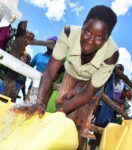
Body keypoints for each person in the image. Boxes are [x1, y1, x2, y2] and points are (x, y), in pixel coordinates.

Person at [14, 5, 119, 149]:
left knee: (79, 125)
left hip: (92, 84)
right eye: (87, 31)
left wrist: (62, 111)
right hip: (71, 74)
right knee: (58, 112)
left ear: (107, 38)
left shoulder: (111, 55)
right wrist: (39, 102)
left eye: (99, 37)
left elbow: (88, 92)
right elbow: (50, 71)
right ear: (82, 26)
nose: (90, 40)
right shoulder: (69, 33)